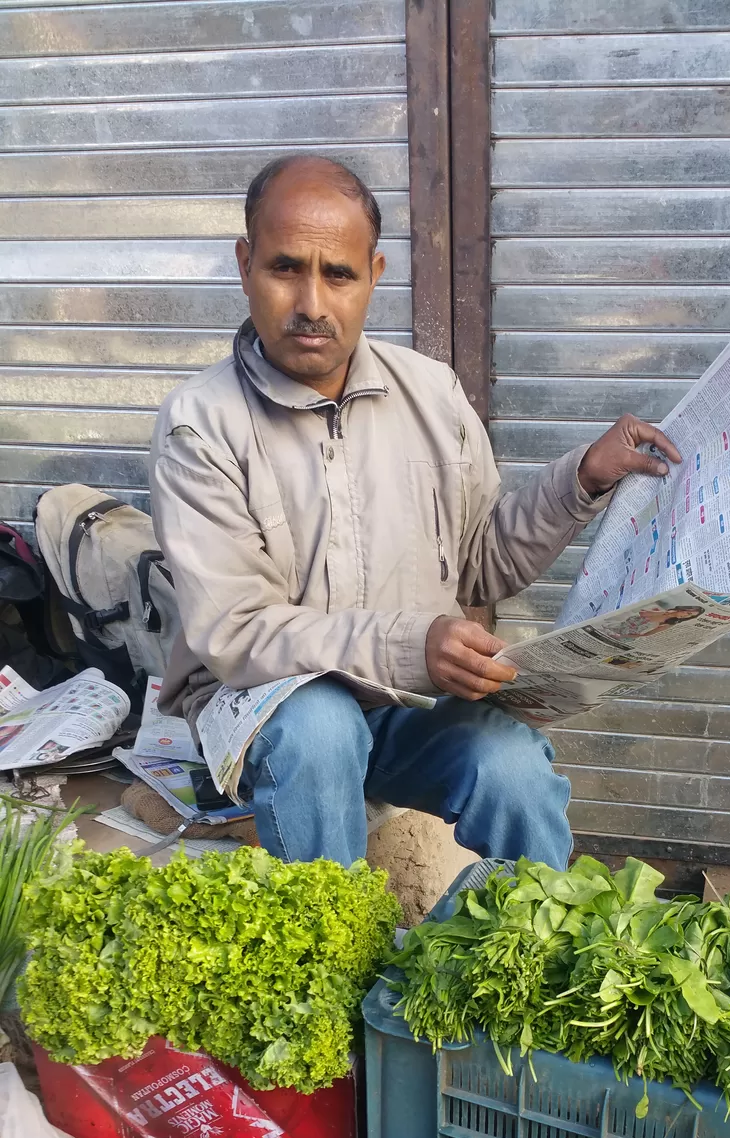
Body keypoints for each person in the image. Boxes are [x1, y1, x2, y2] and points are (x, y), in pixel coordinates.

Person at [151, 155, 680, 868]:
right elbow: (237, 631)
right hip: (265, 712)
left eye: (337, 274)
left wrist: (581, 479)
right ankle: (337, 958)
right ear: (245, 264)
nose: (311, 303)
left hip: (402, 704)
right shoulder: (200, 425)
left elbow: (481, 563)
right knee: (320, 724)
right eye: (285, 269)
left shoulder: (432, 395)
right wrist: (414, 644)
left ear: (374, 273)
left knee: (510, 765)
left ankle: (534, 951)